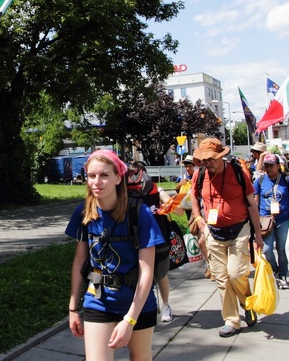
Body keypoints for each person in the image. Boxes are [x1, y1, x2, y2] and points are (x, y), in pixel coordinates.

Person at [65, 150, 164, 361]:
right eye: (91, 176)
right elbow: (79, 262)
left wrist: (130, 320)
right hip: (98, 300)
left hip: (137, 302)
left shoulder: (139, 213)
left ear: (118, 178)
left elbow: (147, 271)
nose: (96, 182)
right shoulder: (84, 212)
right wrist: (73, 307)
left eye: (104, 175)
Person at [190, 138, 264, 338]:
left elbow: (251, 204)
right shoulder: (200, 174)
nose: (207, 163)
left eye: (211, 160)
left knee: (236, 274)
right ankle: (232, 320)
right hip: (213, 233)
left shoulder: (239, 172)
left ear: (221, 156)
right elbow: (193, 196)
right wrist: (198, 218)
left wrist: (258, 234)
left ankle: (247, 303)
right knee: (222, 278)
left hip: (239, 230)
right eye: (204, 160)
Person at [125, 161, 176, 323]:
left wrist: (166, 205)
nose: (137, 180)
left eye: (140, 175)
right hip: (135, 239)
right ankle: (141, 307)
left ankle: (165, 305)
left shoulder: (155, 190)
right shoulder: (126, 193)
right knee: (139, 273)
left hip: (158, 238)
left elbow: (177, 209)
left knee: (160, 274)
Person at [253, 154, 289, 289]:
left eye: (271, 166)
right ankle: (275, 270)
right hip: (265, 220)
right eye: (266, 166)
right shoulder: (260, 181)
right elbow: (255, 200)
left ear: (277, 166)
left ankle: (283, 275)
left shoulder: (287, 180)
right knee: (266, 249)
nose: (268, 169)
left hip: (283, 219)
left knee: (282, 248)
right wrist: (255, 216)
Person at [174, 155, 211, 279]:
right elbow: (178, 196)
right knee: (200, 241)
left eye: (190, 166)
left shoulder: (201, 177)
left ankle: (211, 266)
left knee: (203, 241)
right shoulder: (183, 178)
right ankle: (210, 265)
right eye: (187, 166)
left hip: (202, 213)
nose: (188, 169)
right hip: (190, 213)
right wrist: (179, 186)